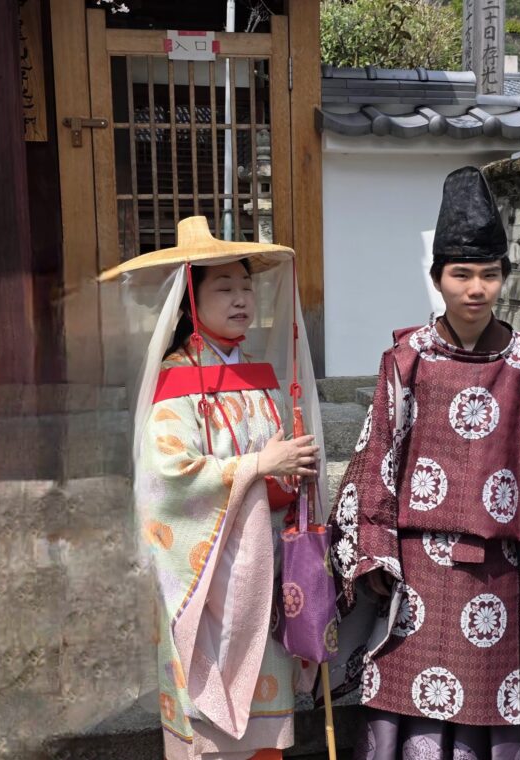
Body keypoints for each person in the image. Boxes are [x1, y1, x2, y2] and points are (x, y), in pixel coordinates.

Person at [327, 167, 520, 760]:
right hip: (414, 576)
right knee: (406, 724)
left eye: (489, 274)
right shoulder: (408, 360)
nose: (476, 288)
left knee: (484, 723)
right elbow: (376, 460)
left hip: (494, 580)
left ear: (503, 277)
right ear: (437, 279)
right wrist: (375, 550)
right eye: (461, 274)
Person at [101, 216, 324, 760]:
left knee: (264, 734)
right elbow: (166, 478)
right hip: (203, 572)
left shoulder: (260, 374)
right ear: (191, 300)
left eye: (246, 285)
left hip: (259, 565)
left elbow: (275, 463)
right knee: (208, 733)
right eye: (224, 287)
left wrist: (289, 471)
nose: (242, 298)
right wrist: (256, 464)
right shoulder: (175, 381)